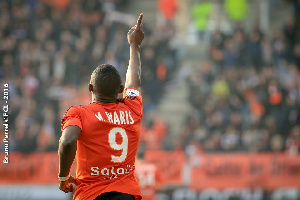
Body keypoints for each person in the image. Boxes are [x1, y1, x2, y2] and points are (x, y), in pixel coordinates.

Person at [58, 13, 145, 200]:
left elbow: (67, 141)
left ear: (90, 88)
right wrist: (134, 46)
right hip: (126, 194)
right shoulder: (132, 108)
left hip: (91, 195)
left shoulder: (79, 113)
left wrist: (63, 177)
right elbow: (134, 81)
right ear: (121, 90)